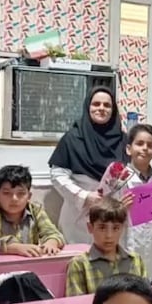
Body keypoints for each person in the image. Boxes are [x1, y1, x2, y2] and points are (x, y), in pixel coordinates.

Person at [49, 86, 126, 243]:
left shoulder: (124, 140)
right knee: (79, 257)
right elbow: (57, 175)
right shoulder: (72, 138)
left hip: (112, 216)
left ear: (113, 110)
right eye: (96, 104)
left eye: (107, 105)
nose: (101, 108)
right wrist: (84, 196)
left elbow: (129, 175)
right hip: (79, 216)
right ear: (87, 106)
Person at [65, 198, 147, 296]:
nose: (109, 235)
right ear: (90, 227)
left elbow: (145, 297)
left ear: (123, 228)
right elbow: (76, 302)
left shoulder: (135, 260)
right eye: (102, 228)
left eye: (115, 228)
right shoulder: (79, 264)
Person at [0, 165, 65, 257]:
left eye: (21, 193)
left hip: (30, 263)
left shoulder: (35, 210)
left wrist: (51, 243)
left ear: (29, 196)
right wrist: (15, 248)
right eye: (7, 193)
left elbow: (53, 233)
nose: (14, 199)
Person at [118, 124, 152, 278]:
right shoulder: (117, 178)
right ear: (128, 149)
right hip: (127, 241)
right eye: (139, 144)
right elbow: (104, 210)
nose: (145, 148)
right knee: (129, 283)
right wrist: (120, 207)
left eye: (150, 145)